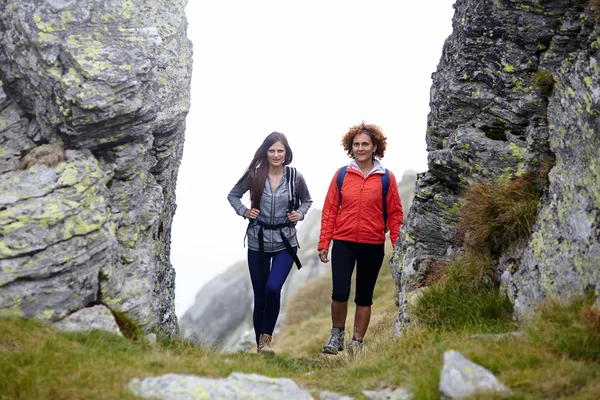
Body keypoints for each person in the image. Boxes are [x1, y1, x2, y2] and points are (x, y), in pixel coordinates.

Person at [318, 122, 403, 355]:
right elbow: (329, 209)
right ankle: (336, 336)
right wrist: (324, 243)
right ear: (350, 147)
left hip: (372, 244)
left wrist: (399, 248)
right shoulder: (342, 174)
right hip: (344, 242)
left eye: (365, 144)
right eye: (356, 144)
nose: (361, 148)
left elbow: (395, 215)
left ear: (375, 146)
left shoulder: (387, 178)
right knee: (340, 292)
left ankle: (356, 343)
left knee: (364, 296)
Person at [228, 132, 312, 355]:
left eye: (280, 151)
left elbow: (307, 201)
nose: (276, 154)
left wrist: (299, 214)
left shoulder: (294, 177)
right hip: (258, 242)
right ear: (266, 152)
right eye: (272, 150)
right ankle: (261, 348)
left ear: (286, 153)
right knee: (261, 296)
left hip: (286, 242)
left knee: (274, 288)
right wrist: (244, 211)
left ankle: (266, 340)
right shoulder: (254, 175)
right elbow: (233, 195)